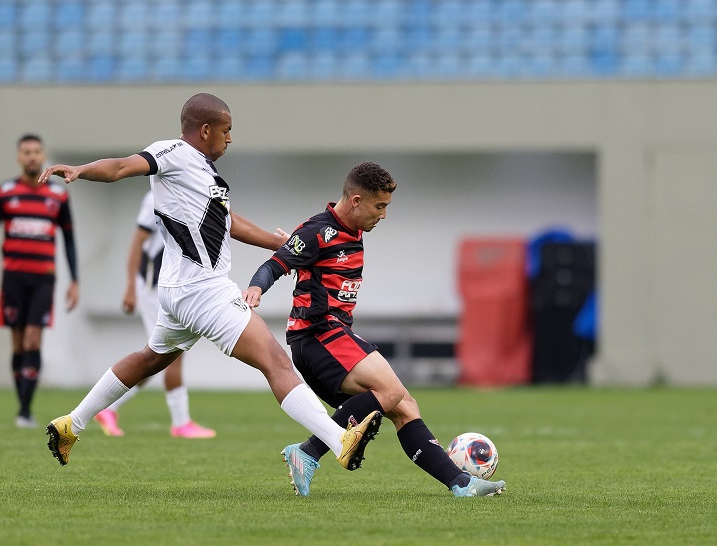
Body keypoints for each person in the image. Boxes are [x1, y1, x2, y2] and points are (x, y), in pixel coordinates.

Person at [39, 93, 382, 474]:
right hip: (202, 288)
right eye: (226, 130)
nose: (230, 139)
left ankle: (72, 423)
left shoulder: (204, 174)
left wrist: (277, 241)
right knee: (276, 363)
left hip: (178, 290)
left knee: (151, 359)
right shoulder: (172, 153)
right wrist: (80, 170)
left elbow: (229, 222)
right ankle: (339, 441)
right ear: (205, 130)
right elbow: (121, 167)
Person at [243, 161, 507, 498]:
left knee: (404, 405)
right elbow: (275, 264)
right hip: (318, 337)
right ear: (355, 201)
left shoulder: (353, 231)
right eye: (379, 206)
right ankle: (308, 450)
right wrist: (256, 288)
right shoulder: (316, 232)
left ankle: (461, 484)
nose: (383, 215)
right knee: (392, 391)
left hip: (336, 337)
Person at [0, 134, 80, 429]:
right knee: (18, 344)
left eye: (36, 151)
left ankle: (25, 410)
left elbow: (69, 240)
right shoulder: (5, 192)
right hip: (13, 279)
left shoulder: (58, 196)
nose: (32, 157)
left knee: (34, 339)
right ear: (19, 157)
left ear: (43, 155)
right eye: (26, 152)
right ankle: (22, 406)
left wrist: (75, 280)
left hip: (44, 279)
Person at [93, 190, 216, 439]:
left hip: (172, 285)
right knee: (170, 351)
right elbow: (138, 240)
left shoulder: (193, 190)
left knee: (158, 355)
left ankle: (108, 408)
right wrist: (130, 287)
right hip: (154, 284)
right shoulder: (156, 196)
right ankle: (181, 423)